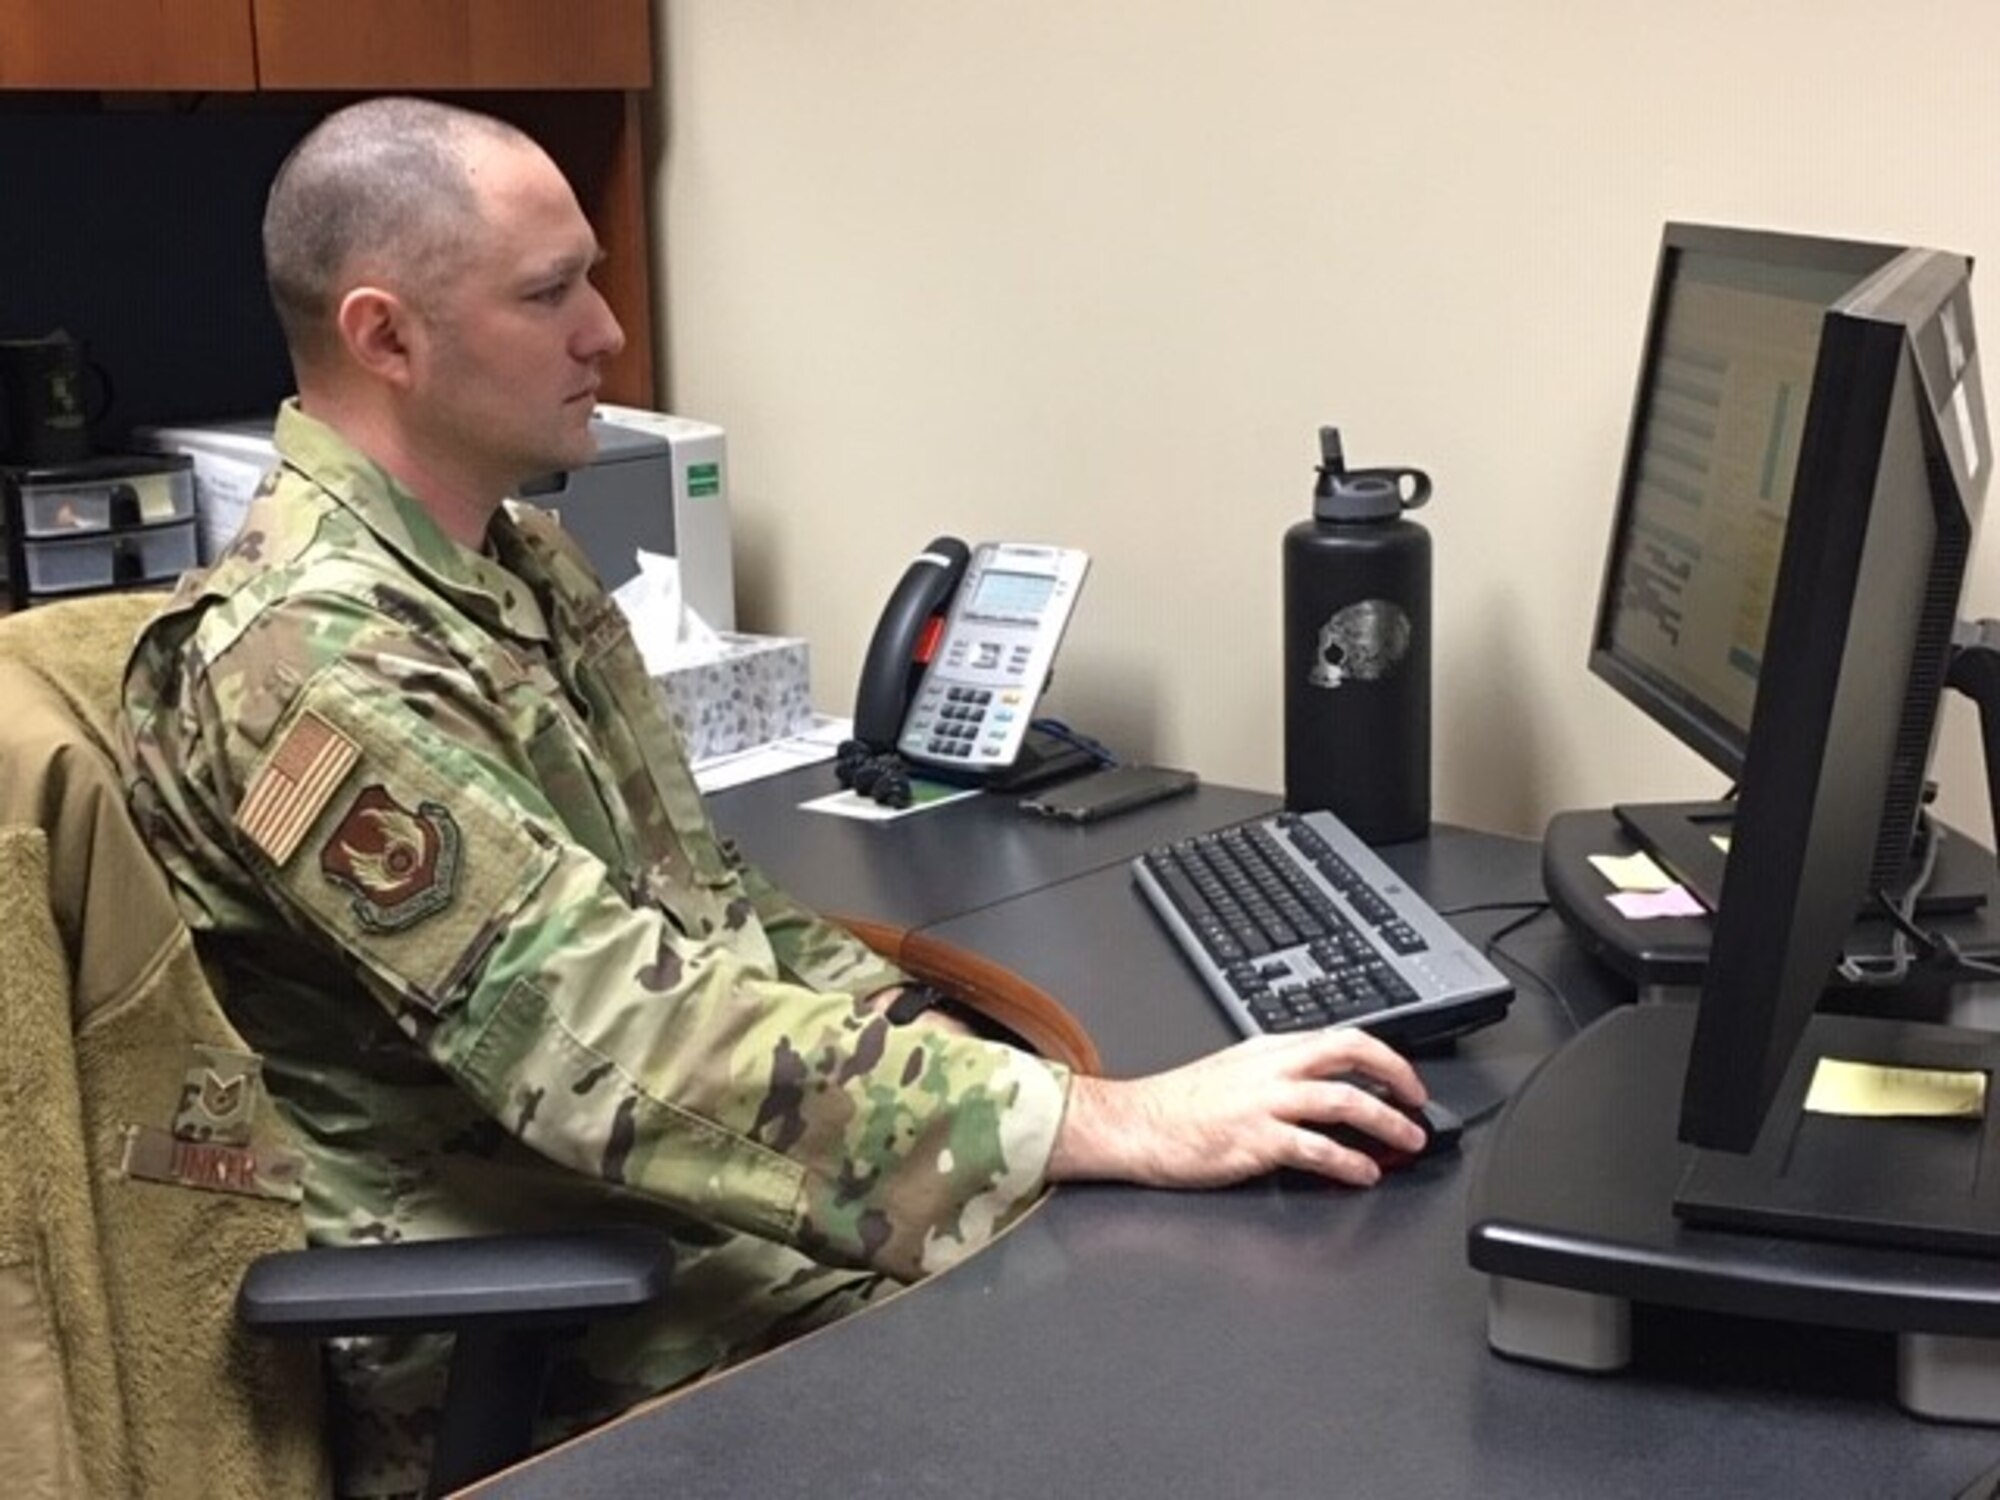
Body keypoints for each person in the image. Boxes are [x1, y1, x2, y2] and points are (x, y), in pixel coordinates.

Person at [120, 97, 1432, 1497]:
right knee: (1188, 1380)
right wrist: (1097, 1124)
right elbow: (620, 1046)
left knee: (1253, 1285)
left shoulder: (511, 567)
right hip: (563, 1301)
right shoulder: (310, 664)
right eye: (551, 292)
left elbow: (709, 904)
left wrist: (1004, 1079)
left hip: (702, 1204)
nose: (607, 333)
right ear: (385, 337)